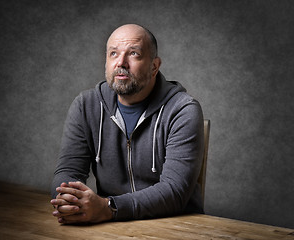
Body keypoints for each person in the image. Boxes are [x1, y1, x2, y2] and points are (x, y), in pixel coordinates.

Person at [50, 24, 204, 224]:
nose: (121, 63)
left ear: (154, 66)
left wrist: (108, 207)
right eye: (113, 53)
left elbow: (174, 191)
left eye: (134, 54)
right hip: (109, 225)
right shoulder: (86, 106)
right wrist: (69, 200)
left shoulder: (183, 109)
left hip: (175, 225)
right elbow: (68, 170)